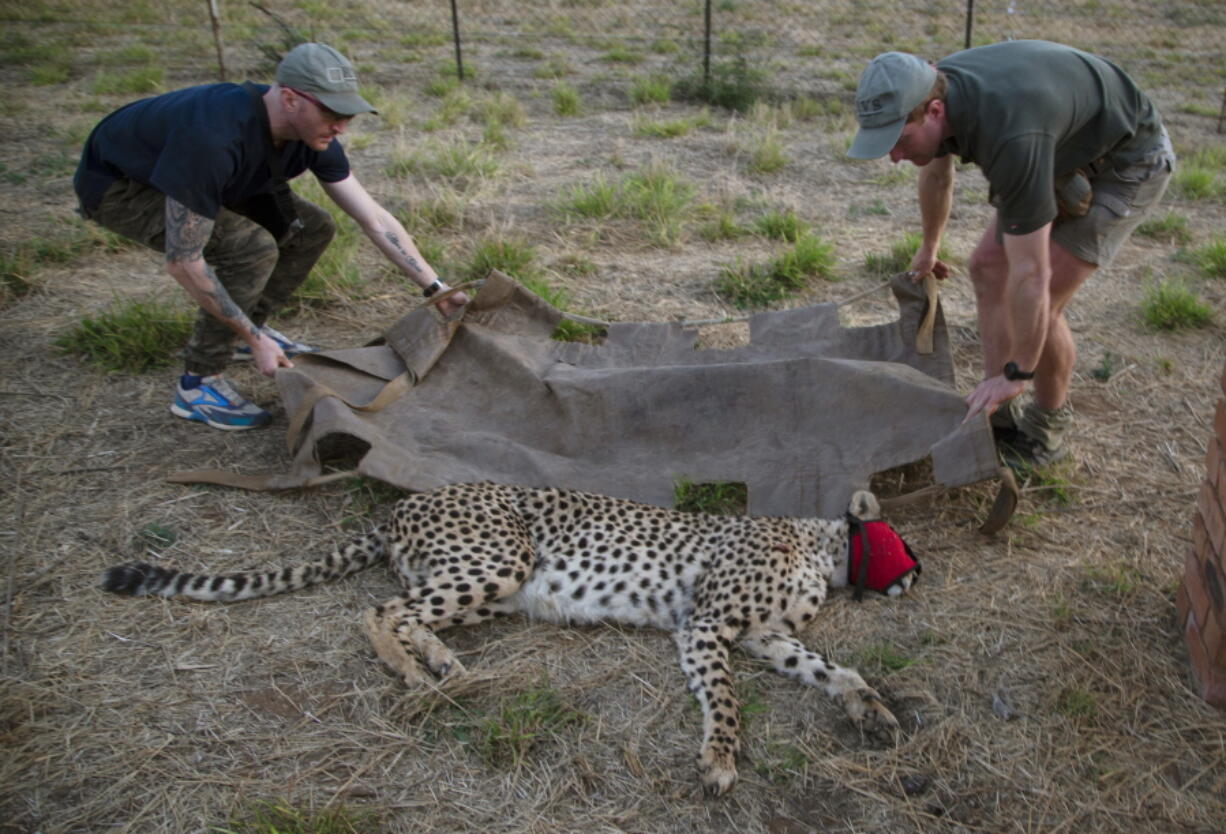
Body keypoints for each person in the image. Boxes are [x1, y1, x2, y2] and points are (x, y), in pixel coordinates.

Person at [74, 42, 469, 431]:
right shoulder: (214, 138)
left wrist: (436, 288)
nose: (342, 126)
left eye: (348, 113)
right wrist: (248, 332)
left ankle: (248, 334)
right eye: (332, 112)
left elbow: (373, 218)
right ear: (290, 99)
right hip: (123, 186)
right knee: (250, 249)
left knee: (312, 229)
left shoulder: (313, 136)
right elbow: (184, 261)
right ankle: (198, 383)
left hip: (221, 177)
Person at [848, 40, 1174, 467]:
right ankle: (996, 416)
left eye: (899, 140)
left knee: (1044, 303)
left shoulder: (1009, 134)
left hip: (1128, 162)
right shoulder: (930, 89)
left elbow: (1031, 275)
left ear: (933, 112)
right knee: (987, 267)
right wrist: (929, 247)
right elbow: (936, 174)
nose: (893, 157)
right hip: (1060, 149)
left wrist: (1018, 371)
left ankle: (1045, 431)